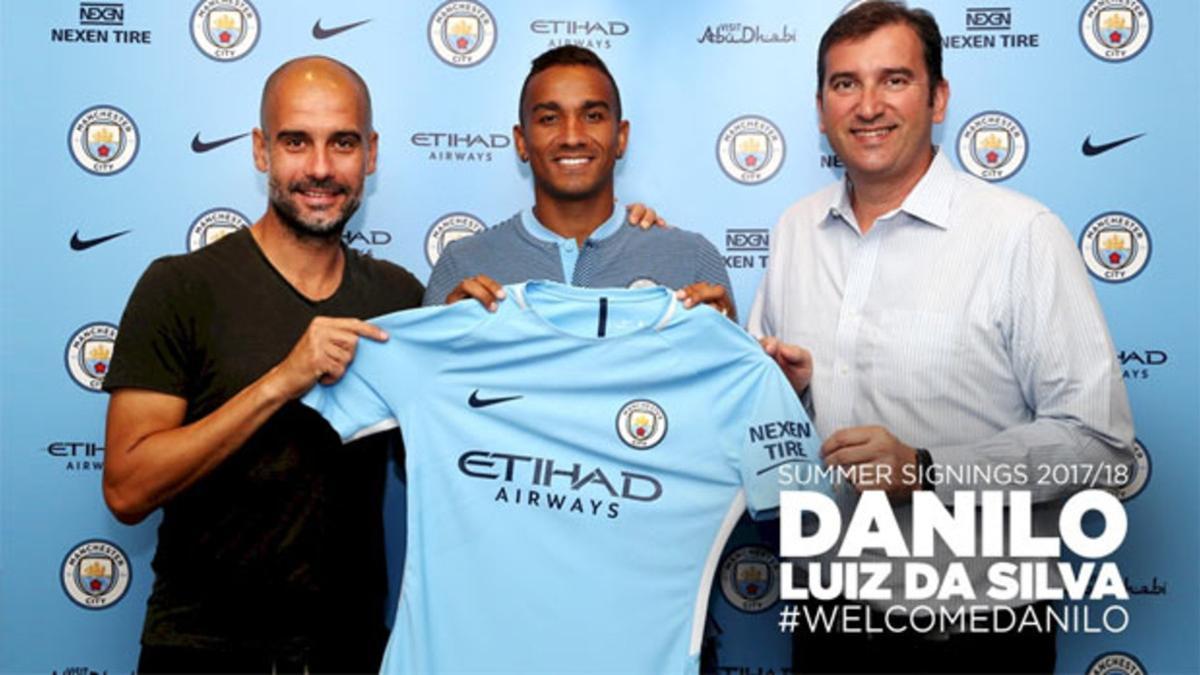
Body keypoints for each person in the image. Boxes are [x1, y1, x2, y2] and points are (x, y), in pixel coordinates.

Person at [746, 2, 1135, 673]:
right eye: (846, 84)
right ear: (820, 108)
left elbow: (1102, 448)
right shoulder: (793, 231)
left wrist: (929, 470)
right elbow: (768, 440)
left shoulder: (1020, 235)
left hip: (977, 637)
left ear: (939, 98)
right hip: (827, 629)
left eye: (894, 80)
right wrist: (790, 400)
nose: (868, 105)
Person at [101, 56, 424, 673]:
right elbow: (126, 487)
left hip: (349, 650)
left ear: (372, 155)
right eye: (296, 141)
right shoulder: (181, 288)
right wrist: (283, 380)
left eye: (344, 143)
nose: (322, 168)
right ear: (260, 150)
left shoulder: (399, 299)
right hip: (201, 651)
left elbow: (452, 458)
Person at [423, 46, 735, 316]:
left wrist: (725, 343)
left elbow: (729, 381)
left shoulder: (691, 259)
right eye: (549, 119)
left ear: (621, 137)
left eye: (593, 116)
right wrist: (445, 336)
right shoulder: (462, 264)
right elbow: (428, 381)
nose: (572, 137)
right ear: (521, 141)